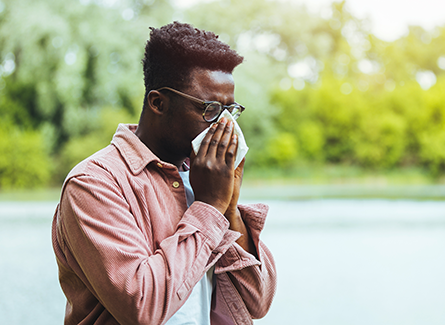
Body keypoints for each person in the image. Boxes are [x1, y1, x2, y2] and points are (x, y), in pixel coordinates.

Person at [52, 21, 276, 325]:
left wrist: (230, 206)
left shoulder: (204, 176)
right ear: (158, 103)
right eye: (210, 109)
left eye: (230, 110)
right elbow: (142, 308)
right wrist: (209, 207)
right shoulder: (95, 183)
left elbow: (257, 302)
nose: (224, 126)